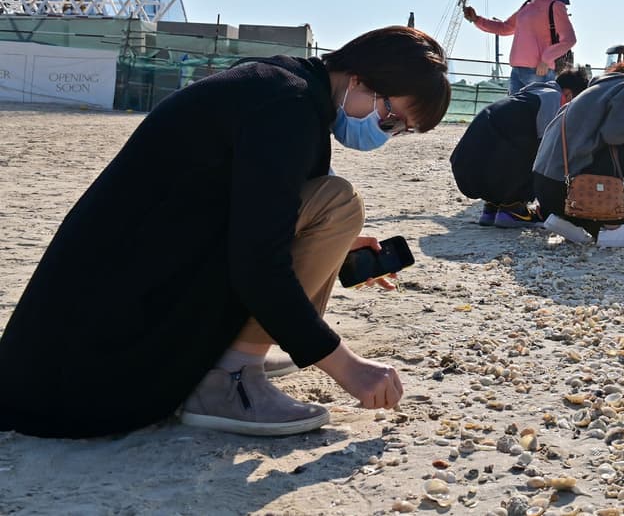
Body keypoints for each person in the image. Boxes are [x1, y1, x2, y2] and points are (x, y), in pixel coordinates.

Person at [0, 26, 451, 439]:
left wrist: (335, 247)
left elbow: (235, 202)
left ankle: (236, 353)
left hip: (90, 309)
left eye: (400, 132)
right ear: (360, 80)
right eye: (392, 120)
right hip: (99, 352)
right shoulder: (287, 109)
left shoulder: (278, 84)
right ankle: (229, 379)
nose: (386, 134)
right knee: (337, 203)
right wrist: (346, 367)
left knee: (331, 211)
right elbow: (258, 260)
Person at [532, 58, 624, 249]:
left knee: (621, 149)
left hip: (545, 191)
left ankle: (570, 223)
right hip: (565, 190)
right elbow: (614, 134)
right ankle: (614, 229)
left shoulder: (597, 89)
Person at [449, 67, 590, 228]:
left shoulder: (528, 95)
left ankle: (493, 208)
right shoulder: (553, 98)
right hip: (489, 172)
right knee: (546, 156)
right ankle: (513, 209)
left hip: (468, 170)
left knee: (520, 142)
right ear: (569, 94)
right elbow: (548, 150)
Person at [463, 0, 576, 95]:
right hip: (516, 71)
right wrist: (476, 19)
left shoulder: (556, 6)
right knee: (514, 115)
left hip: (539, 72)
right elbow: (505, 27)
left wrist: (546, 59)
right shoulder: (528, 5)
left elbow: (570, 39)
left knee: (536, 115)